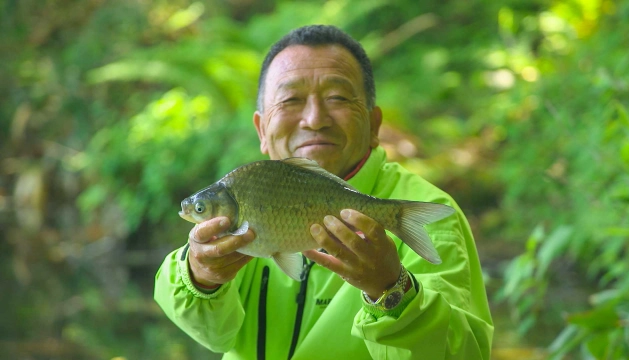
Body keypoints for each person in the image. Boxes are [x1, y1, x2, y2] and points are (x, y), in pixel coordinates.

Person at [155, 25, 493, 359]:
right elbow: (214, 335)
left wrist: (394, 292)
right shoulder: (247, 195)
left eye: (337, 97)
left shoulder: (430, 211)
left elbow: (461, 354)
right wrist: (200, 278)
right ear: (261, 129)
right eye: (290, 100)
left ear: (374, 125)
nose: (314, 119)